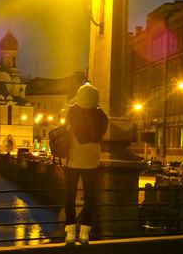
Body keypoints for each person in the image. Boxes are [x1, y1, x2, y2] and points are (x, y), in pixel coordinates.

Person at [63, 84, 108, 244]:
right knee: (90, 197)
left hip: (73, 161)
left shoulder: (73, 112)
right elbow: (101, 135)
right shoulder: (102, 115)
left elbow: (66, 131)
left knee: (69, 196)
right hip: (92, 162)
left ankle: (70, 233)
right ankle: (84, 233)